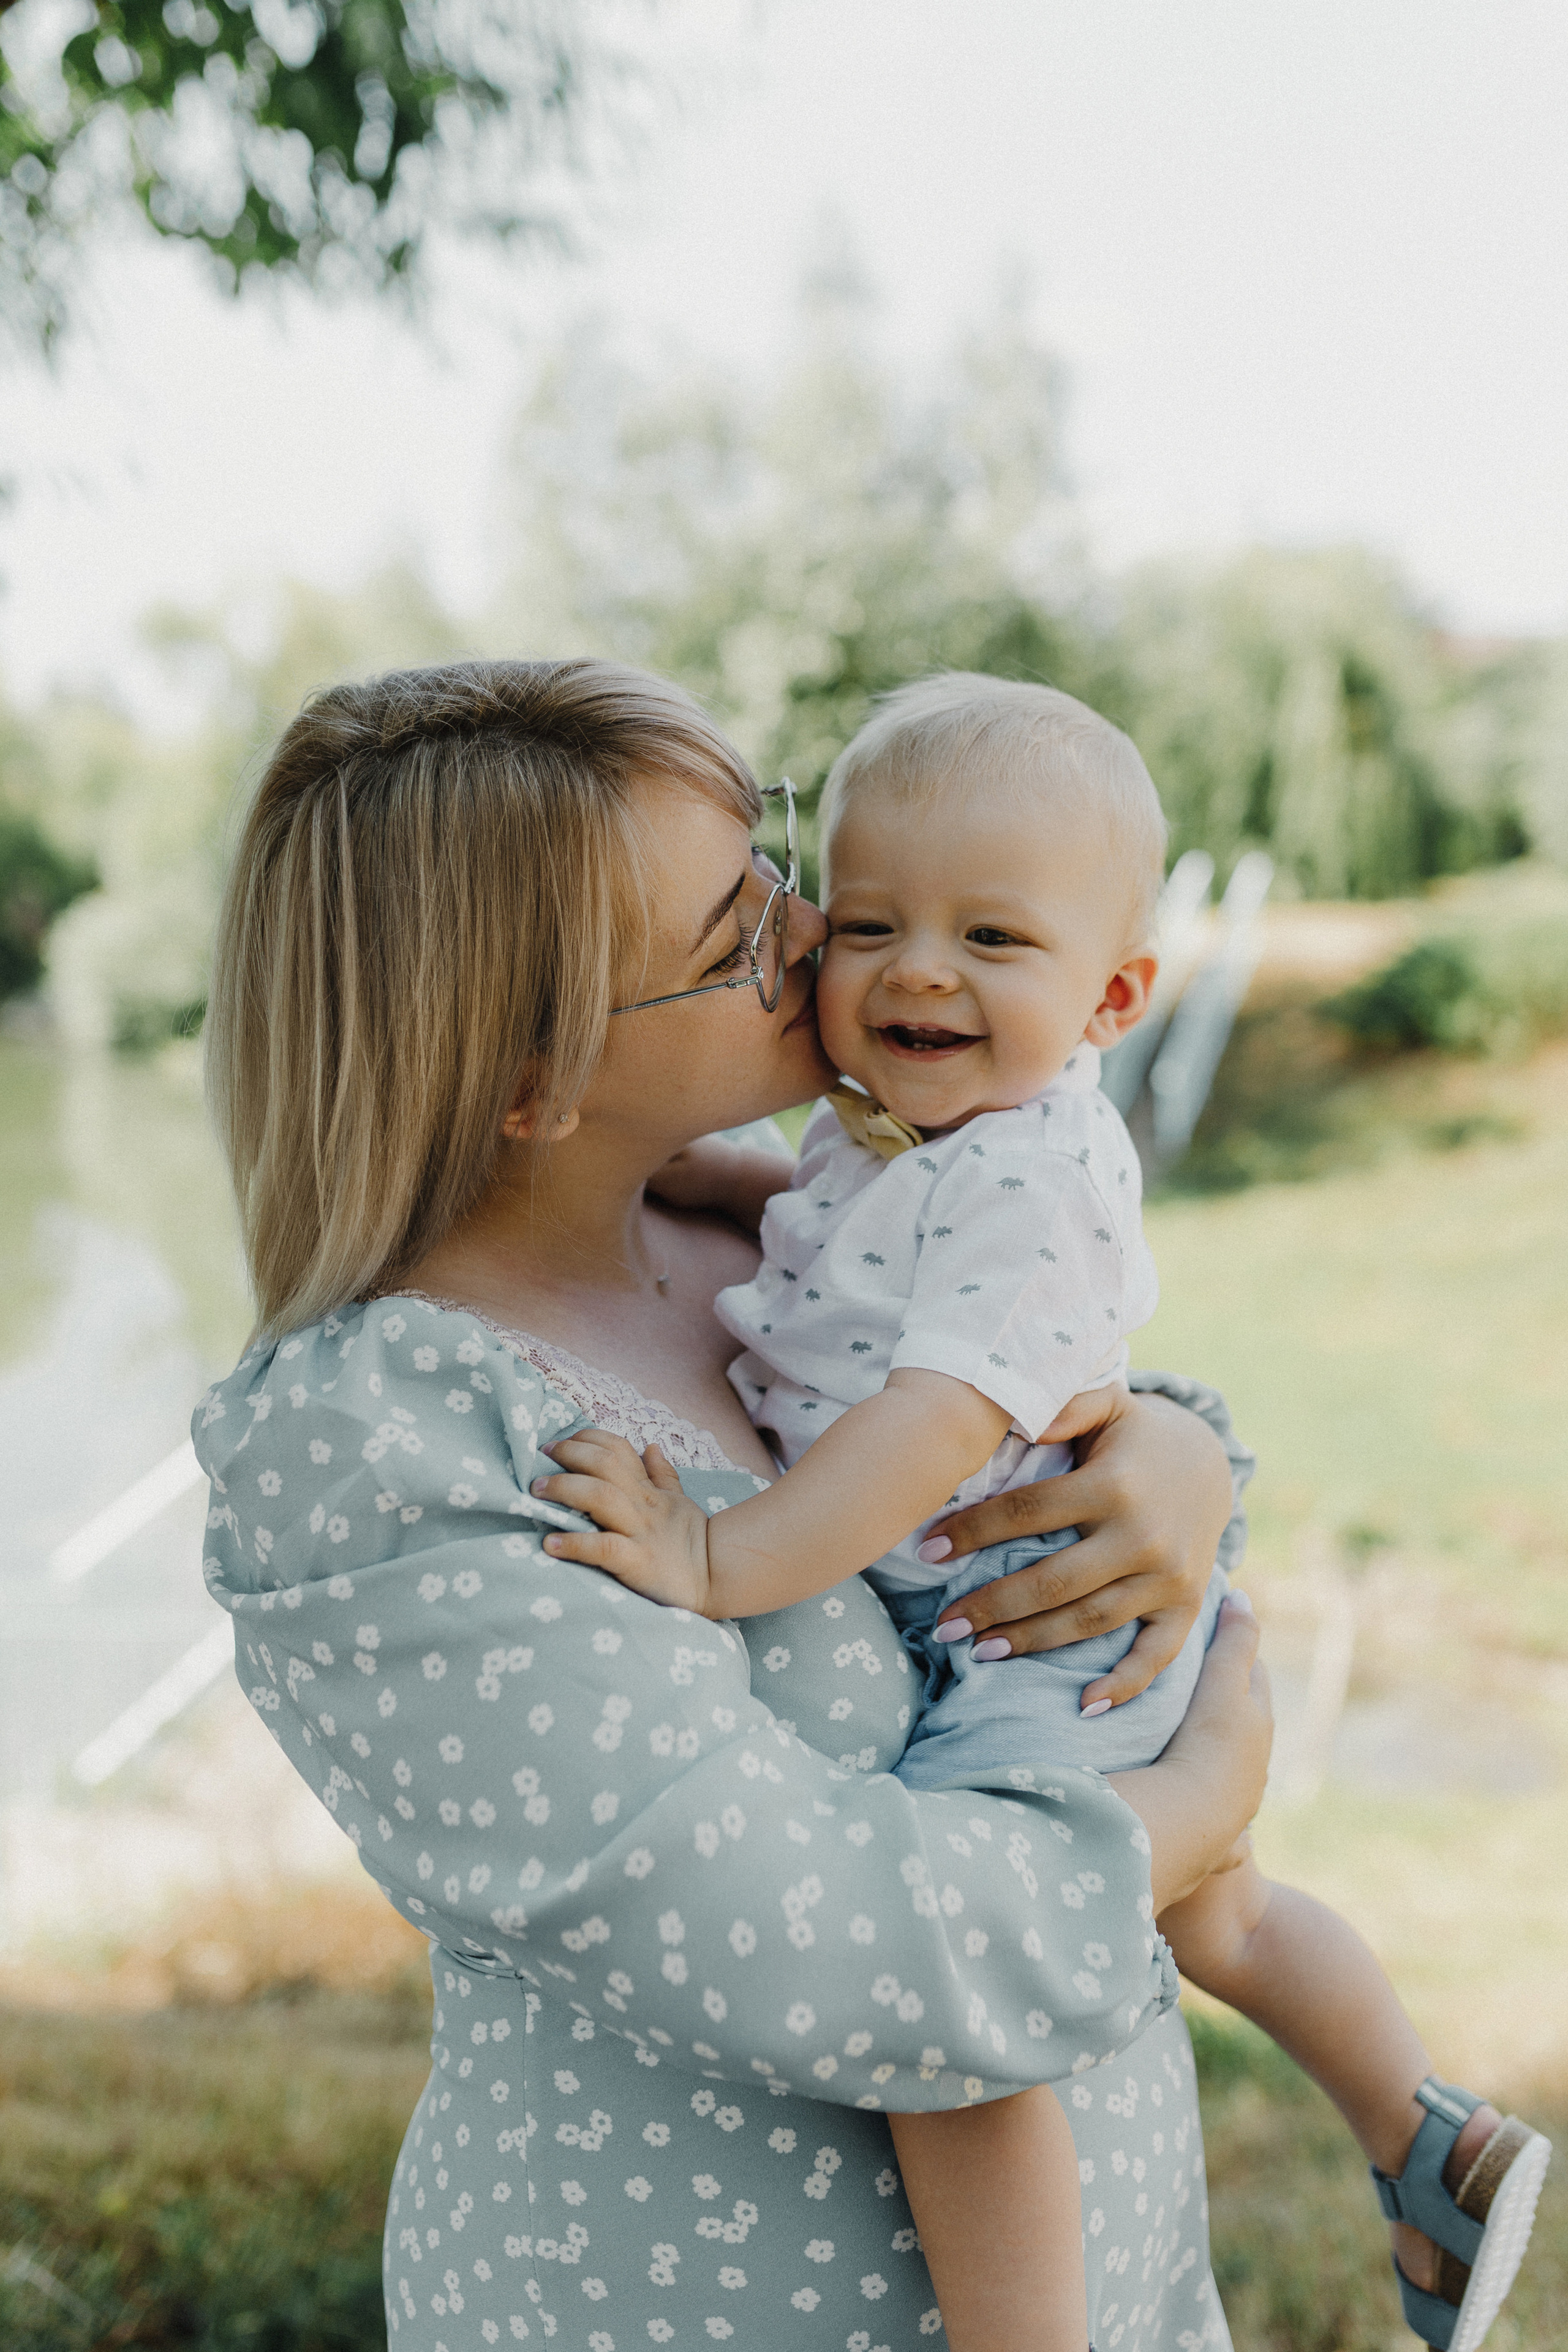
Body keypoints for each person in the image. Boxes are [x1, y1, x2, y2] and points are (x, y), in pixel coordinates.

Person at [194, 655, 1274, 2352]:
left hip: (1119, 2281)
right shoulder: (388, 1441)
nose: (819, 929)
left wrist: (1177, 1453)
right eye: (734, 933)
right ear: (530, 1076)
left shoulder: (745, 1233)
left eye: (773, 862)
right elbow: (833, 1948)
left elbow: (1021, 1398)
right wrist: (1196, 1808)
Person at [538, 673, 1551, 2352]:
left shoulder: (1029, 1176)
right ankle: (1430, 2135)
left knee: (955, 1997)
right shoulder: (911, 1132)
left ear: (1113, 996)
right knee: (1216, 1906)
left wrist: (718, 1558)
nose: (920, 971)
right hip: (1030, 1593)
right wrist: (685, 1171)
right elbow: (845, 1244)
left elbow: (929, 1426)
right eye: (872, 924)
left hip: (1035, 1622)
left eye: (993, 939)